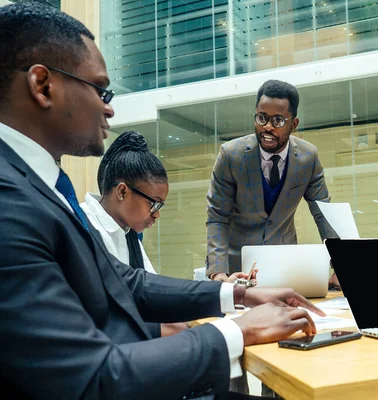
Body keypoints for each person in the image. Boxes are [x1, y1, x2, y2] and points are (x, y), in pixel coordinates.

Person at [0, 3, 325, 399]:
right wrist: (237, 329)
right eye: (101, 89)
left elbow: (120, 280)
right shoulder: (9, 203)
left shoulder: (36, 182)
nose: (109, 107)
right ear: (43, 86)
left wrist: (236, 295)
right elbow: (91, 378)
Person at [80, 130, 257, 338]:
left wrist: (222, 290)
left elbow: (154, 293)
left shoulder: (127, 231)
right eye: (153, 204)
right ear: (122, 192)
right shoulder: (82, 226)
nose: (157, 215)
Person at [205, 79, 337, 282]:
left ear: (294, 124)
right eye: (261, 118)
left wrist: (341, 264)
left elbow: (324, 214)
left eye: (278, 121)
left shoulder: (308, 157)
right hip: (236, 269)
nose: (267, 127)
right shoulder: (231, 156)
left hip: (284, 267)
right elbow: (217, 217)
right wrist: (218, 273)